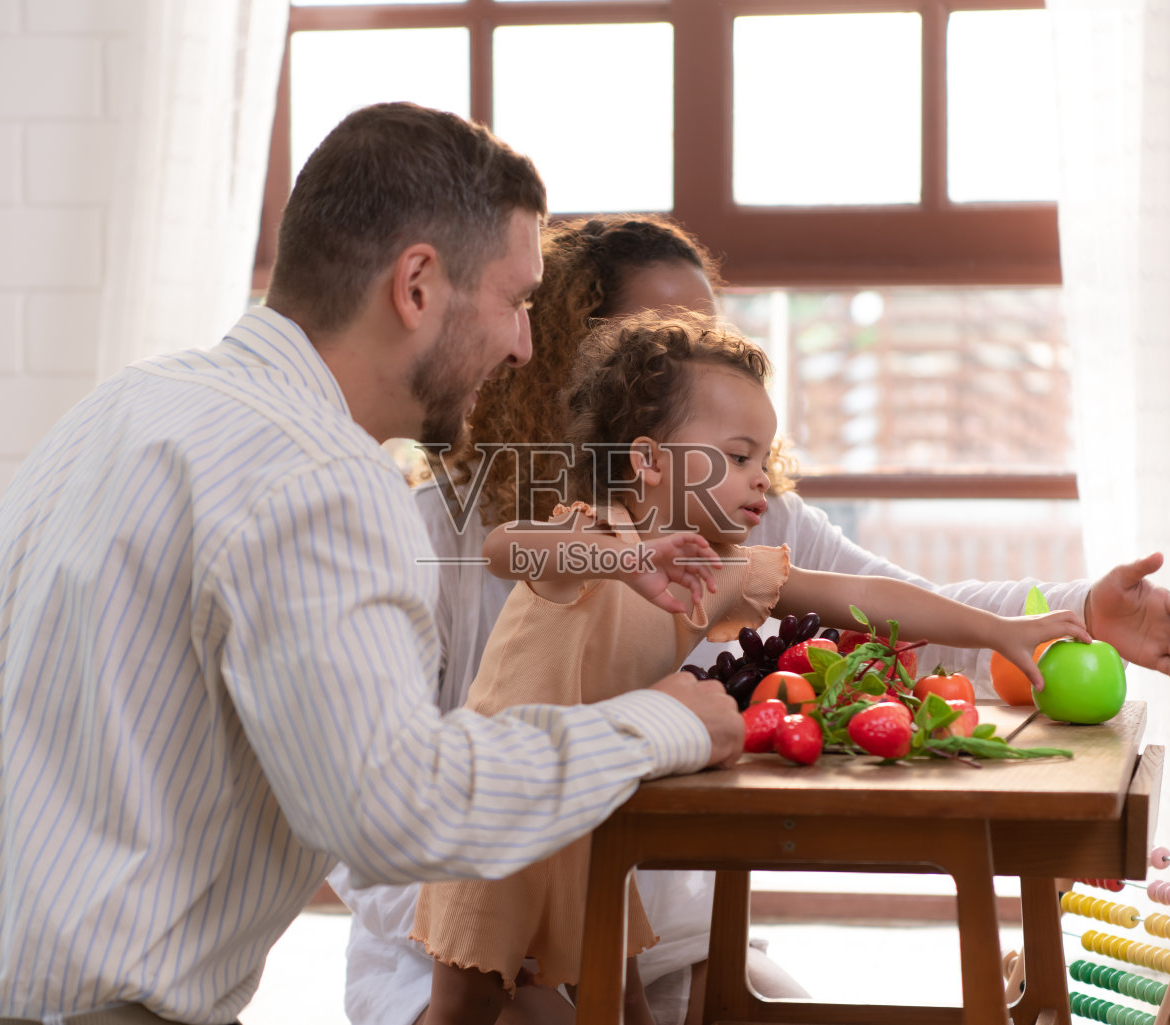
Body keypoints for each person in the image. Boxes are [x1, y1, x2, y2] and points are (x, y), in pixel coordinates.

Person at [0, 106, 746, 1025]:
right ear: (417, 285)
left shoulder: (130, 403)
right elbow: (402, 811)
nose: (525, 345)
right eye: (515, 300)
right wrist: (659, 721)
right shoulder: (319, 472)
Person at [333, 214, 1170, 1025]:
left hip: (654, 926)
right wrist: (625, 558)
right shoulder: (463, 528)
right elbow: (357, 797)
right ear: (586, 370)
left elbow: (887, 606)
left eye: (715, 338)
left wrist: (1073, 614)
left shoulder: (740, 523)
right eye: (667, 346)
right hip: (460, 910)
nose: (705, 356)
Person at [405, 311, 1091, 1025]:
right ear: (648, 461)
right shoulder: (594, 534)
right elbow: (505, 548)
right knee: (467, 1005)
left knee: (623, 998)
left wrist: (996, 629)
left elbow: (854, 596)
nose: (760, 478)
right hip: (499, 801)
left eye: (763, 457)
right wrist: (630, 558)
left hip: (589, 813)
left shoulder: (717, 568)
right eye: (737, 457)